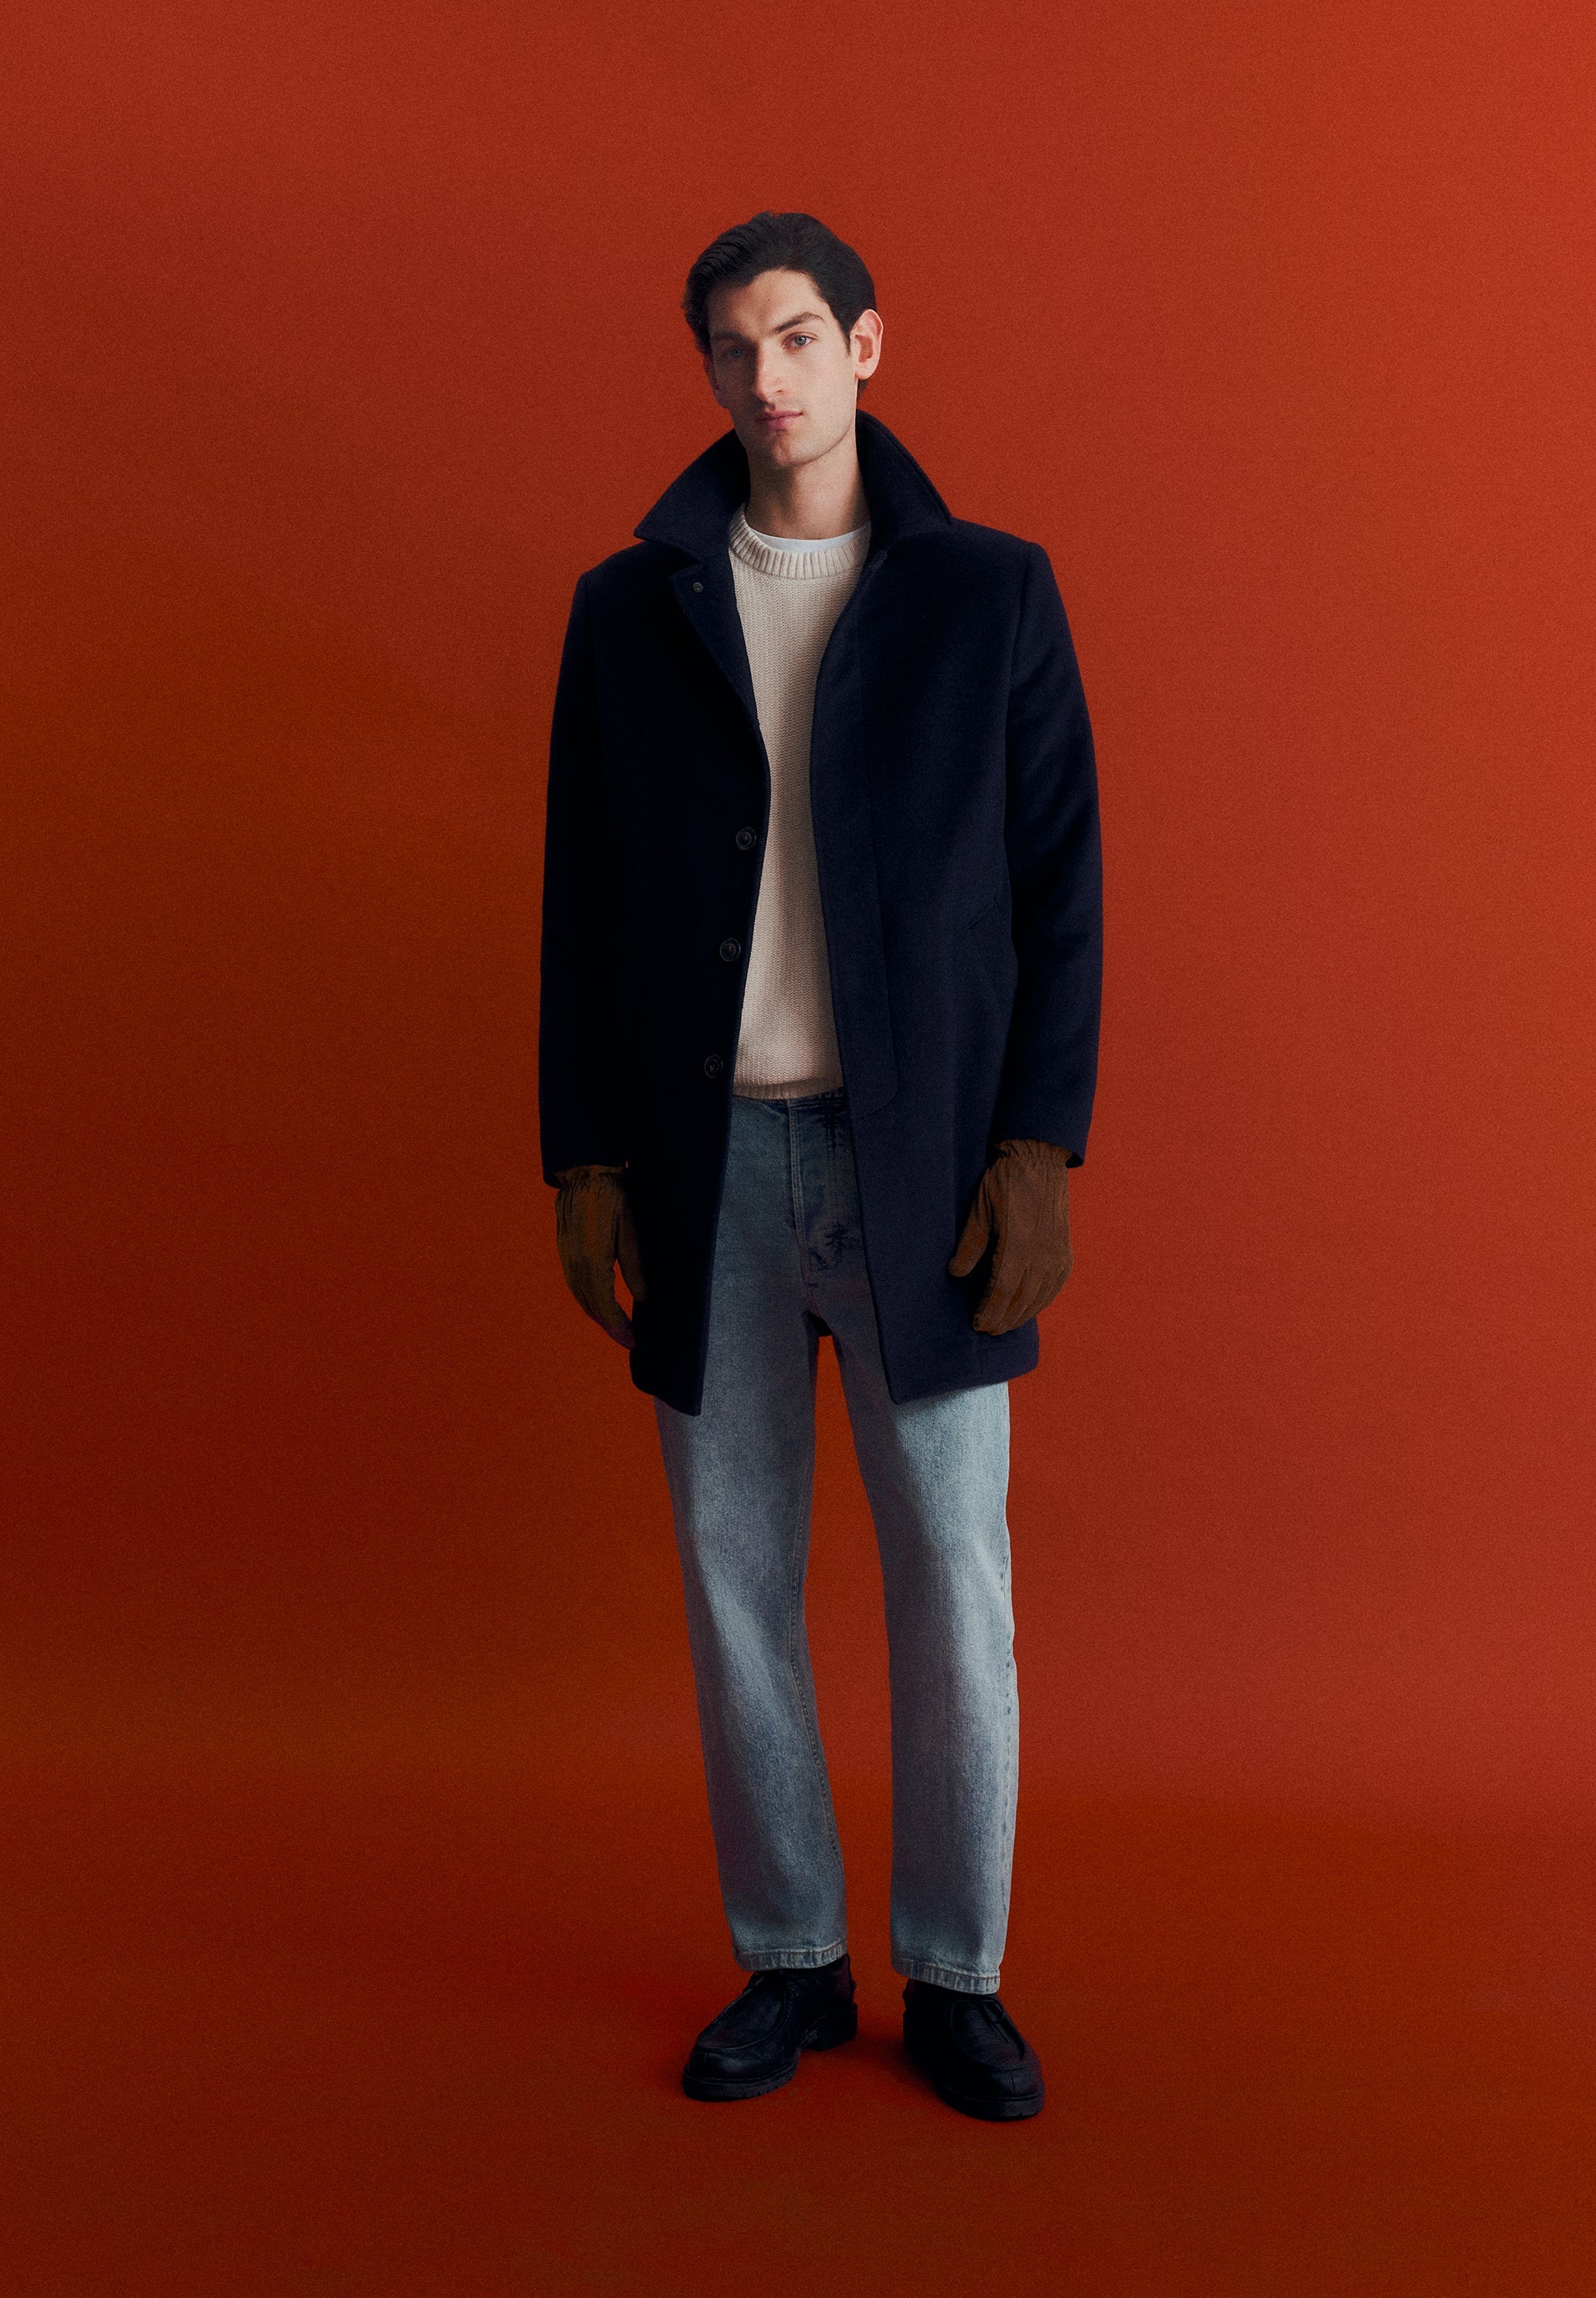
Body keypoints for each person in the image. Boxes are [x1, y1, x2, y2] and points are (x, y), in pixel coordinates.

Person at [539, 210, 1102, 2122]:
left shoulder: (989, 596)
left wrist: (1036, 1148)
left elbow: (1060, 889)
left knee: (953, 1573)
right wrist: (583, 1153)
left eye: (794, 336)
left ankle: (956, 1974)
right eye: (730, 348)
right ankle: (789, 1953)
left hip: (916, 1165)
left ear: (865, 345)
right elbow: (583, 901)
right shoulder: (631, 608)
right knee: (732, 1573)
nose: (763, 379)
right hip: (710, 1164)